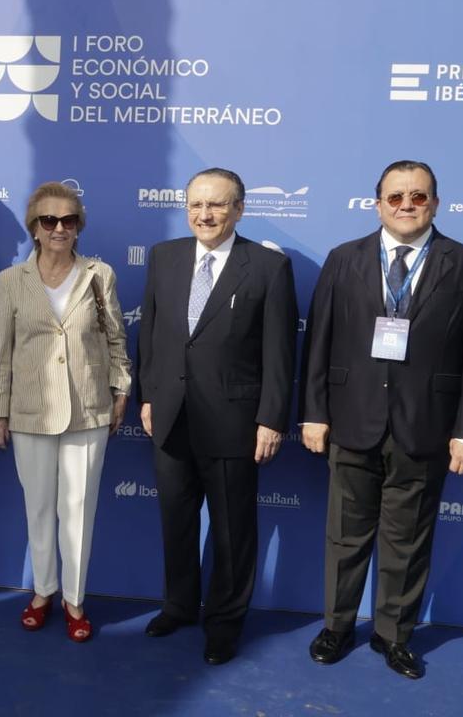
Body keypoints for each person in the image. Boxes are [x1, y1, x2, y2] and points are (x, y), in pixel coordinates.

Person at [300, 160, 463, 679]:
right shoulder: (344, 260)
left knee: (408, 540)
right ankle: (337, 627)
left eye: (418, 196)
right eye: (395, 197)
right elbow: (317, 342)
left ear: (435, 202)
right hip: (350, 421)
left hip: (426, 426)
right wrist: (314, 413)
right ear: (377, 203)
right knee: (345, 535)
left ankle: (393, 635)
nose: (406, 205)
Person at [137, 167, 297, 664]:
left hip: (234, 421)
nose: (204, 214)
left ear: (239, 209)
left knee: (232, 530)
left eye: (217, 205)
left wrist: (271, 418)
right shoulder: (164, 257)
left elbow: (279, 351)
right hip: (170, 416)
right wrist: (148, 395)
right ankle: (179, 605)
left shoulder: (268, 267)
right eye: (196, 205)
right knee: (176, 522)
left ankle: (225, 622)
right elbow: (153, 333)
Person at [0, 181, 131, 643]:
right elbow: (1, 352)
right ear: (34, 227)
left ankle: (74, 598)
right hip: (29, 410)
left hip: (88, 408)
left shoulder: (99, 275)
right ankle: (42, 592)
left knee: (79, 510)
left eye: (68, 220)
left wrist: (121, 386)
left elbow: (115, 339)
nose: (59, 228)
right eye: (49, 220)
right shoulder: (11, 281)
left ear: (78, 226)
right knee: (39, 508)